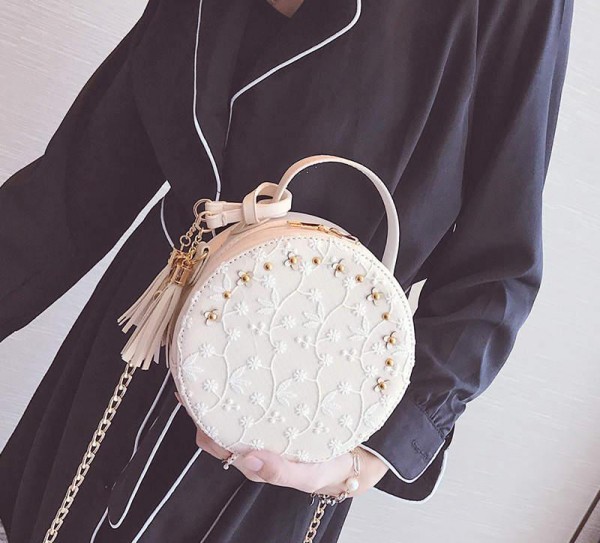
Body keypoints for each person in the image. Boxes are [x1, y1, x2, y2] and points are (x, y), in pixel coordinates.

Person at [0, 0, 574, 542]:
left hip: (300, 396)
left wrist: (367, 458)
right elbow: (80, 181)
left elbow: (498, 264)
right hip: (134, 343)